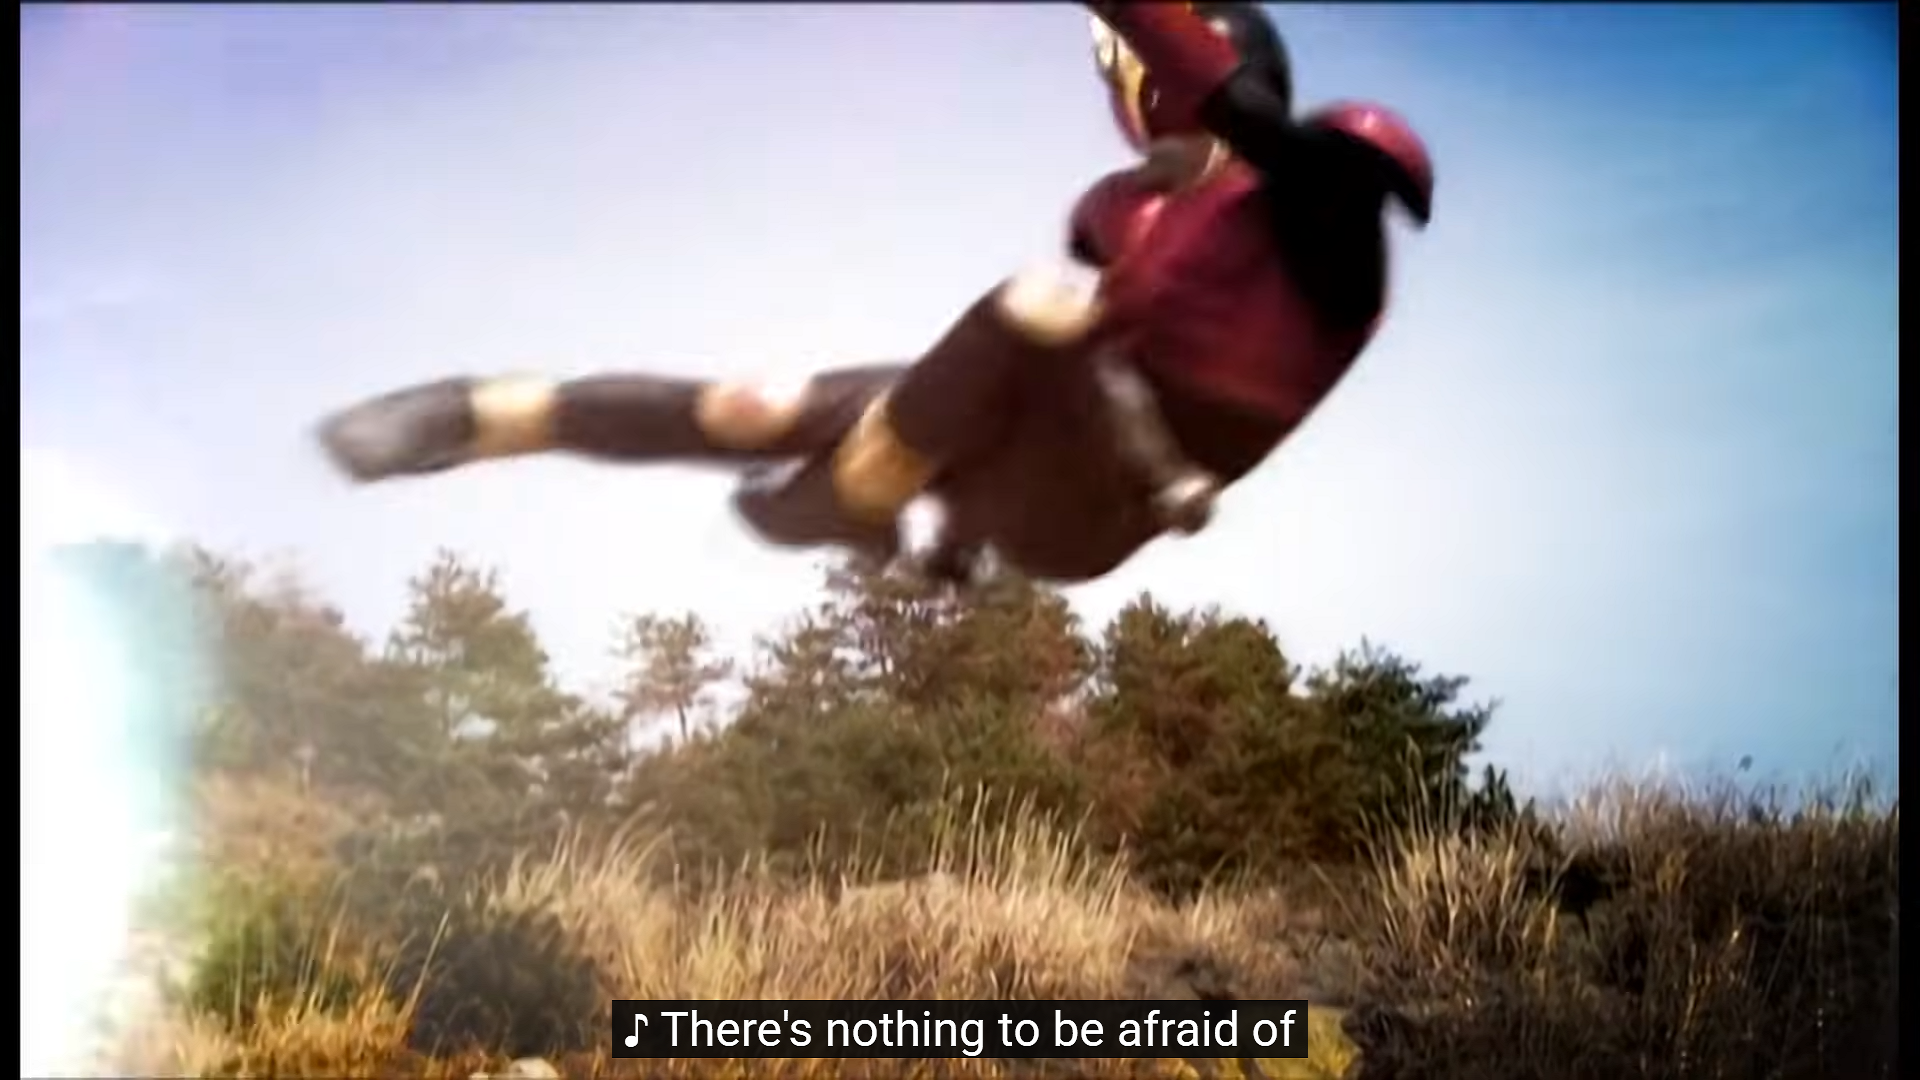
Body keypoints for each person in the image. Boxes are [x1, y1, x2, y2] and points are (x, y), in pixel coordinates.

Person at [316, 2, 1433, 587]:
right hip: (1037, 418)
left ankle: (852, 506)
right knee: (756, 407)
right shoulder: (1128, 214)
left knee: (1036, 309)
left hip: (1107, 497)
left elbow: (1247, 124)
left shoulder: (1320, 198)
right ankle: (479, 416)